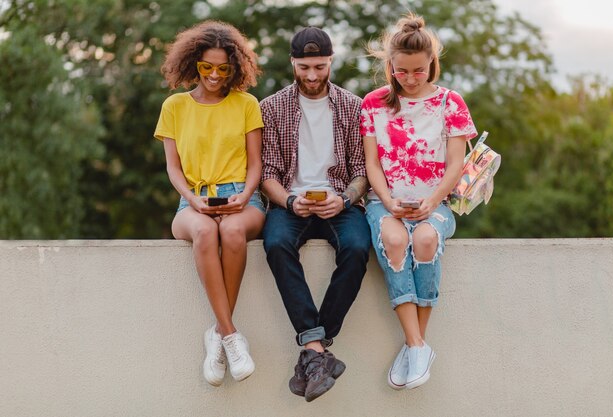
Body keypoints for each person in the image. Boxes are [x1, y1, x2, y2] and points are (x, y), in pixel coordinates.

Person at [361, 14, 477, 390]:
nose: (410, 79)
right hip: (386, 202)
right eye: (401, 72)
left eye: (418, 71)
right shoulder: (374, 104)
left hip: (435, 203)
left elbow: (456, 164)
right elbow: (372, 163)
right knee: (395, 242)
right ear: (390, 67)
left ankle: (415, 347)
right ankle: (417, 345)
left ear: (431, 64)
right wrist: (387, 199)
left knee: (425, 241)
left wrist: (432, 201)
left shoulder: (450, 102)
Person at [260, 27, 371, 402]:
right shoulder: (271, 108)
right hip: (291, 203)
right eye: (304, 66)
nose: (311, 75)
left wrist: (345, 198)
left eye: (319, 67)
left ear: (331, 62)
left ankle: (313, 348)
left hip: (339, 202)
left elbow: (362, 170)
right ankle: (318, 351)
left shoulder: (353, 106)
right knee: (275, 243)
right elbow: (267, 174)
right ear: (292, 62)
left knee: (357, 249)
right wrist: (290, 202)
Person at [154, 20, 265, 386]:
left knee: (232, 232)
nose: (215, 75)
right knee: (203, 232)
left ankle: (217, 336)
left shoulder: (247, 104)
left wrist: (245, 196)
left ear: (235, 67)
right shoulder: (174, 107)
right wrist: (191, 200)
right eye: (207, 67)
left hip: (240, 196)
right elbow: (173, 168)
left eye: (223, 68)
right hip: (192, 200)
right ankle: (230, 335)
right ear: (193, 64)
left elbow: (255, 164)